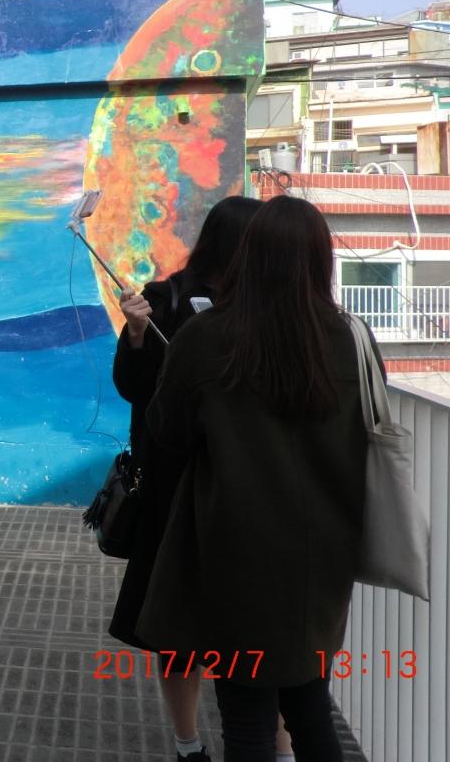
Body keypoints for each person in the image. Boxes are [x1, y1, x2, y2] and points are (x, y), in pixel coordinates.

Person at [136, 196, 376, 762]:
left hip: (233, 552)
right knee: (310, 706)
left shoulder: (207, 335)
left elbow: (167, 430)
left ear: (248, 257)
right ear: (321, 261)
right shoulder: (351, 338)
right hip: (324, 556)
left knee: (246, 718)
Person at [108, 195, 262, 762]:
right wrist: (137, 334)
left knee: (247, 625)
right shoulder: (165, 297)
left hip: (243, 489)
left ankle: (270, 741)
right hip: (175, 486)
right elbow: (132, 387)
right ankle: (187, 741)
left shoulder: (265, 305)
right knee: (175, 624)